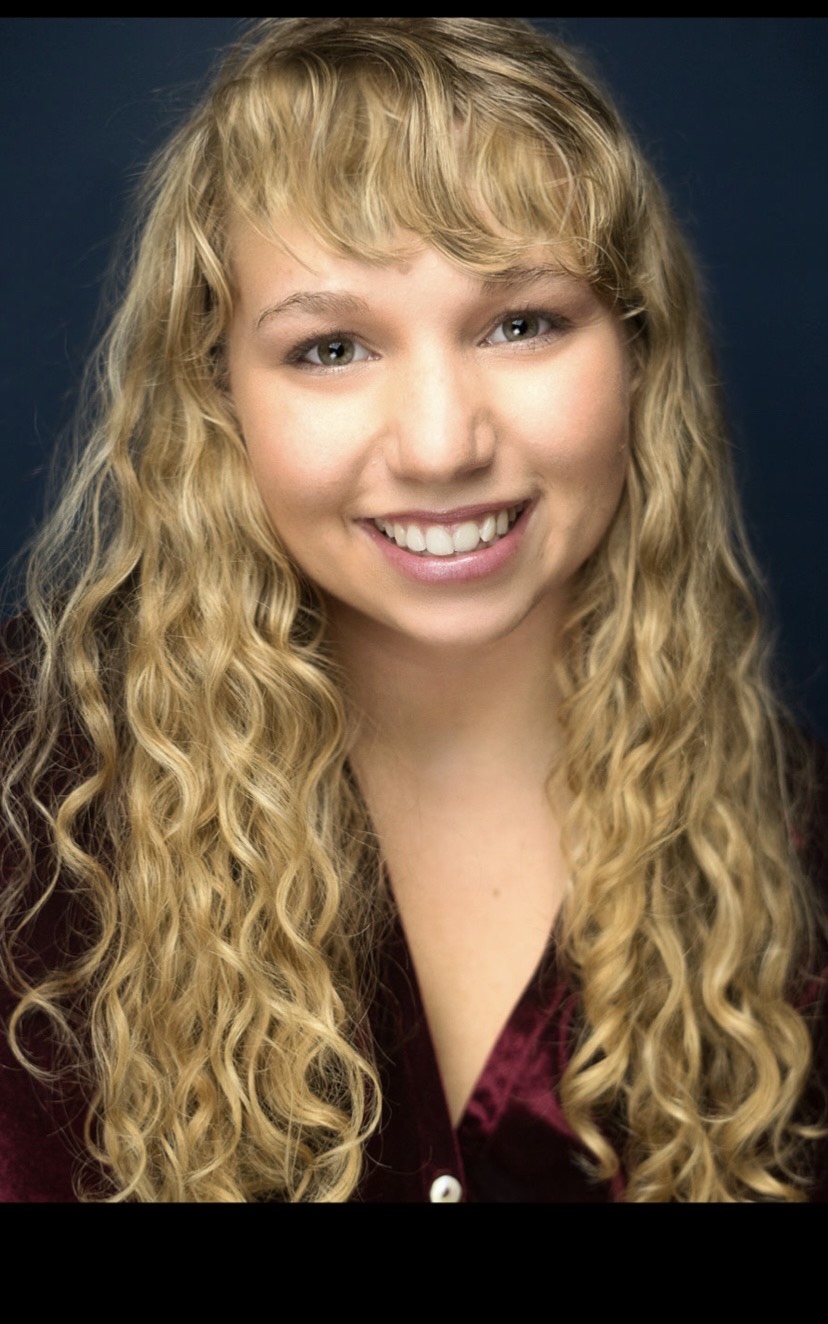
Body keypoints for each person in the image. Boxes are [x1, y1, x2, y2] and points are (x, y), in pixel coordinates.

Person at [0, 17, 824, 1204]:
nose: (442, 446)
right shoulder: (28, 801)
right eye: (332, 347)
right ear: (216, 391)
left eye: (522, 323)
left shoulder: (796, 855)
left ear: (638, 355)